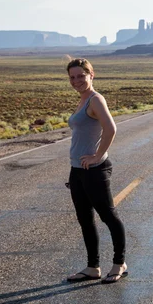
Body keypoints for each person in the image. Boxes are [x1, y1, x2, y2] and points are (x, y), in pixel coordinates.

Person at [65, 57, 127, 283]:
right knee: (85, 219)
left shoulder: (95, 99)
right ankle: (93, 267)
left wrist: (97, 155)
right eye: (72, 77)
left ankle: (119, 263)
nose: (76, 81)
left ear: (92, 75)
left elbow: (111, 128)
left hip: (95, 169)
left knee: (108, 216)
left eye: (81, 76)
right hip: (78, 169)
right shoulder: (82, 100)